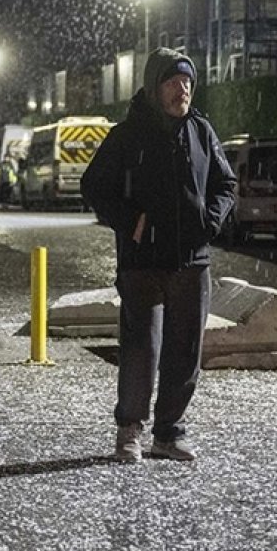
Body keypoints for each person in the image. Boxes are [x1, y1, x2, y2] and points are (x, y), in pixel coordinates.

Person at [81, 46, 237, 463]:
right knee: (141, 347)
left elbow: (226, 183)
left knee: (185, 350)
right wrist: (130, 221)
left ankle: (168, 433)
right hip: (142, 262)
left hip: (191, 260)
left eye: (187, 82)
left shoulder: (202, 131)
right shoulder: (127, 135)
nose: (181, 90)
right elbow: (94, 186)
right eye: (172, 82)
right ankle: (129, 429)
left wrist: (211, 221)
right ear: (154, 87)